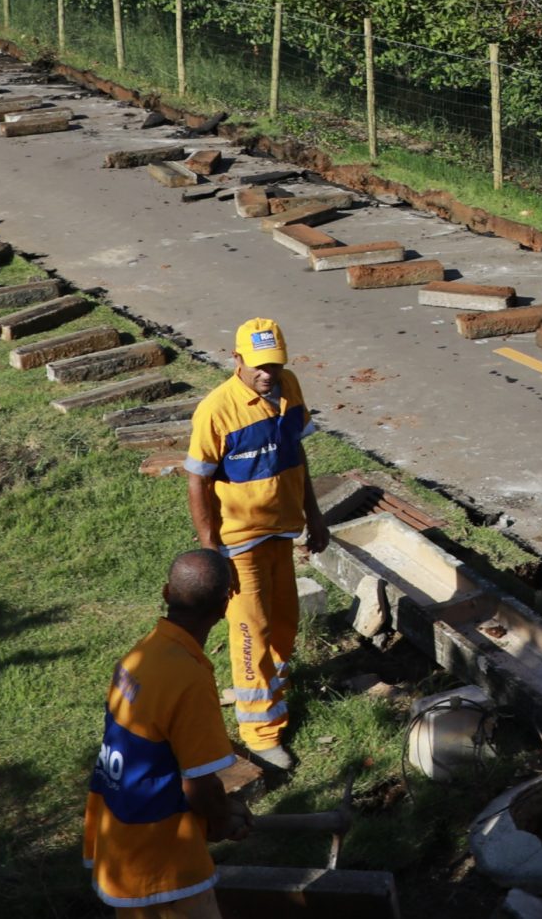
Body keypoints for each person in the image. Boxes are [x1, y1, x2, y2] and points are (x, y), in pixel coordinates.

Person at [183, 317, 330, 774]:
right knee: (252, 630)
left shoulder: (289, 388)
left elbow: (297, 453)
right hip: (239, 542)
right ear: (238, 360)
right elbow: (197, 483)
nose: (269, 375)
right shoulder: (216, 410)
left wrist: (314, 513)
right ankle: (260, 733)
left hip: (281, 532)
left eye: (276, 366)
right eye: (260, 367)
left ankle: (268, 692)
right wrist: (212, 550)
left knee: (284, 621)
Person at [83, 549, 249, 917]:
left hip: (120, 840)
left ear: (166, 593)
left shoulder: (138, 658)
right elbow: (198, 785)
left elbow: (156, 758)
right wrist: (220, 821)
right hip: (160, 860)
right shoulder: (188, 680)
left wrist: (223, 806)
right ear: (224, 607)